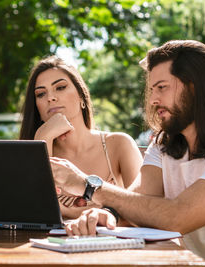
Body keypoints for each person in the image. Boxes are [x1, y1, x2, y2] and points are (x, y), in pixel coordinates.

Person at [50, 40, 205, 266]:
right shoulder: (165, 147)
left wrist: (89, 185)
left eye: (161, 88)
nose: (153, 100)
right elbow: (138, 199)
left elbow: (178, 217)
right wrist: (105, 215)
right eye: (152, 89)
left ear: (195, 87)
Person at [20, 56, 143, 219]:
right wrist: (42, 138)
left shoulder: (119, 144)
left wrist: (70, 212)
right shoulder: (35, 147)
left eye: (60, 87)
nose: (50, 97)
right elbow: (32, 215)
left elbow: (144, 209)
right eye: (41, 94)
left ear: (81, 97)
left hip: (113, 244)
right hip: (48, 244)